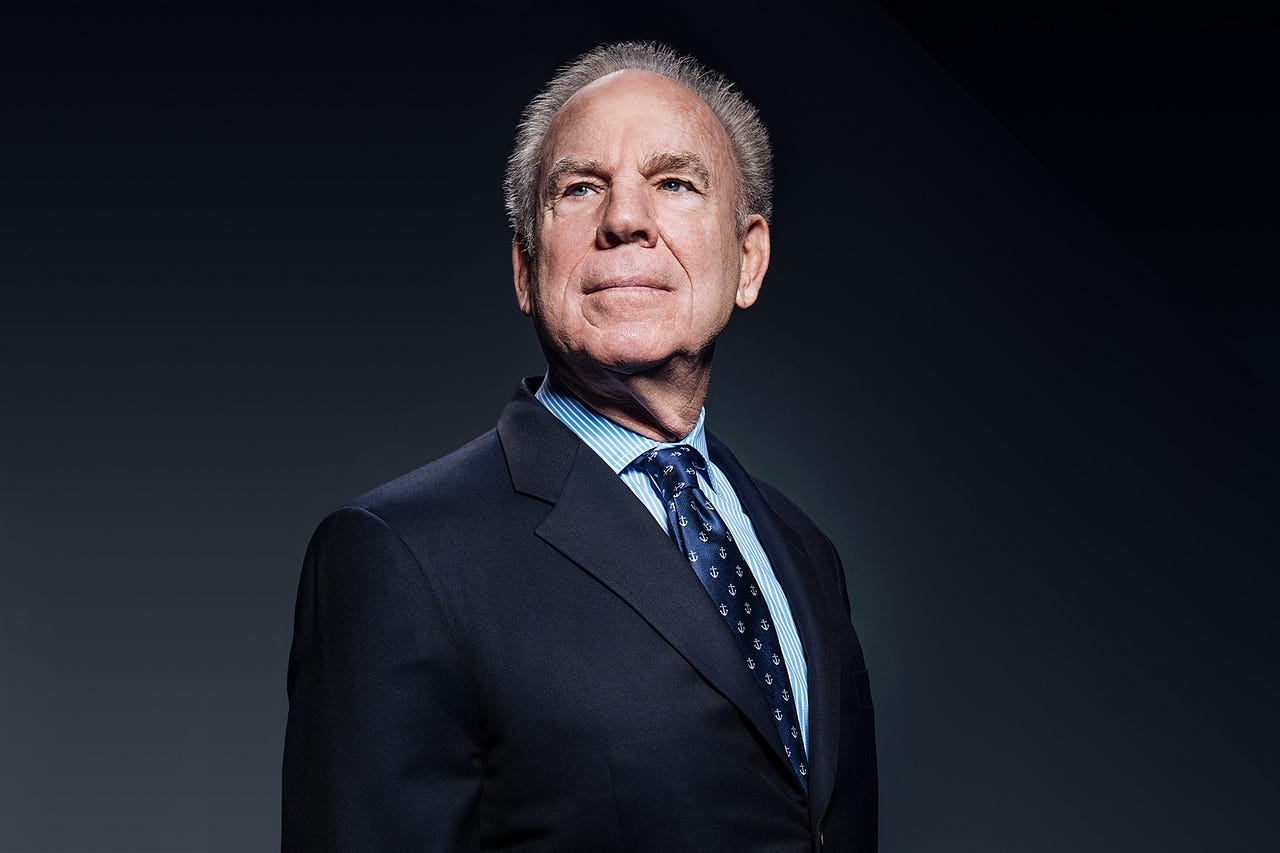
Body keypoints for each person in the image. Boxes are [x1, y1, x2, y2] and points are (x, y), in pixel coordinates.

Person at [283, 41, 877, 852]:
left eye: (674, 182)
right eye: (580, 188)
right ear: (525, 270)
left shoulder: (808, 555)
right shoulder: (398, 557)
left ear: (749, 261)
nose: (624, 218)